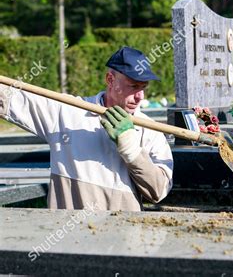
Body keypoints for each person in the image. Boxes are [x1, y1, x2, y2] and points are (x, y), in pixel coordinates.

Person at [0, 47, 173, 211]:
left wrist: (131, 150)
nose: (140, 97)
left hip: (126, 235)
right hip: (71, 236)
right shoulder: (67, 110)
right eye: (134, 86)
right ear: (110, 80)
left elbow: (158, 192)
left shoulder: (150, 130)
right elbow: (9, 99)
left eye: (143, 88)